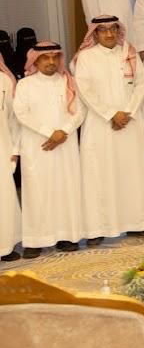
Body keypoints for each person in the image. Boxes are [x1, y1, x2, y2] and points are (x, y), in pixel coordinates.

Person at [73, 15, 144, 244]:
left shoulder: (129, 53)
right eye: (103, 30)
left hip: (129, 123)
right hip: (99, 126)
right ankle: (98, 229)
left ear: (119, 30)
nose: (109, 34)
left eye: (113, 29)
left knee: (131, 173)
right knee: (99, 176)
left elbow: (142, 84)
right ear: (95, 33)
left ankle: (136, 224)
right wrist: (111, 114)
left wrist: (128, 112)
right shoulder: (86, 57)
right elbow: (84, 90)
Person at [13, 42, 85, 257]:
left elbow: (80, 111)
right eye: (45, 58)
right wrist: (49, 133)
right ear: (35, 60)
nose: (51, 61)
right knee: (37, 191)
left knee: (66, 189)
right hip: (37, 146)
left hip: (65, 144)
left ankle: (66, 236)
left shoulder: (68, 82)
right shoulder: (24, 84)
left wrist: (63, 131)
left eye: (55, 57)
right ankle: (35, 241)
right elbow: (21, 113)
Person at [0, 59, 20, 261]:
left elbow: (13, 118)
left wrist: (15, 148)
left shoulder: (4, 80)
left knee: (3, 197)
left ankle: (5, 247)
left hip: (2, 147)